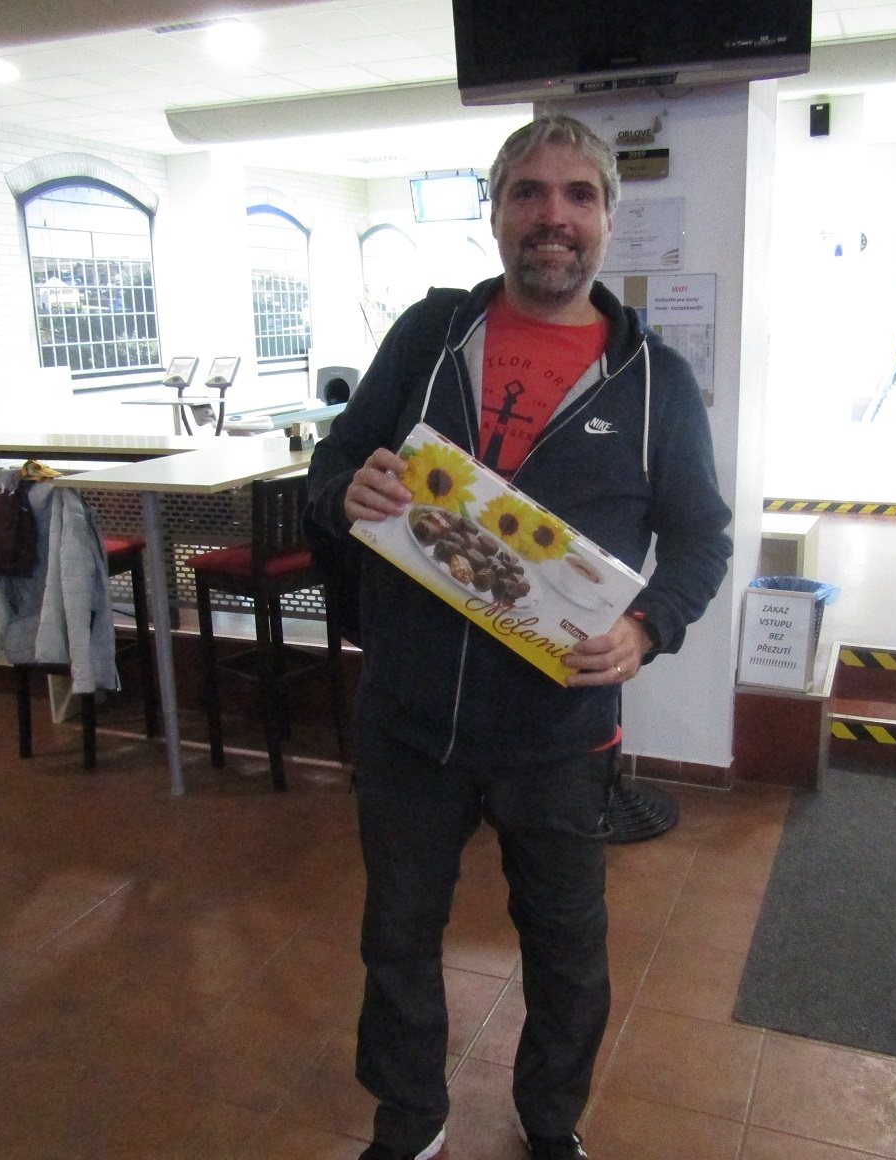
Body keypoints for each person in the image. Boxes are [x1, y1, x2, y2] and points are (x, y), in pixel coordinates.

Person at [305, 114, 733, 1160]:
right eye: (529, 192)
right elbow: (334, 465)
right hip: (411, 721)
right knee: (397, 937)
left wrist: (648, 626)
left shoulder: (655, 382)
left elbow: (701, 539)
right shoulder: (428, 335)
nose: (553, 216)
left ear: (608, 218)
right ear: (495, 213)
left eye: (579, 194)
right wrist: (345, 490)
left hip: (557, 731)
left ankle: (550, 1124)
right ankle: (411, 1120)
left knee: (567, 952)